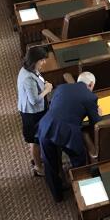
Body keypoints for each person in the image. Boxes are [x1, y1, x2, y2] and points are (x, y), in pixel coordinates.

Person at [37, 72, 99, 200]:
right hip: (67, 133)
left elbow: (55, 104)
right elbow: (96, 122)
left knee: (49, 163)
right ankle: (82, 192)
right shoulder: (90, 97)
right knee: (79, 161)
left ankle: (57, 195)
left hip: (46, 125)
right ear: (91, 84)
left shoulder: (61, 87)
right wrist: (98, 113)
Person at [16, 45, 52, 178]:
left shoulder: (31, 69)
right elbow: (34, 100)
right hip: (32, 113)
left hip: (37, 110)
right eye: (42, 60)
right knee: (35, 141)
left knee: (37, 138)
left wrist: (44, 85)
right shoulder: (27, 78)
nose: (44, 62)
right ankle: (38, 167)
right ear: (34, 60)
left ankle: (38, 160)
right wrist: (47, 90)